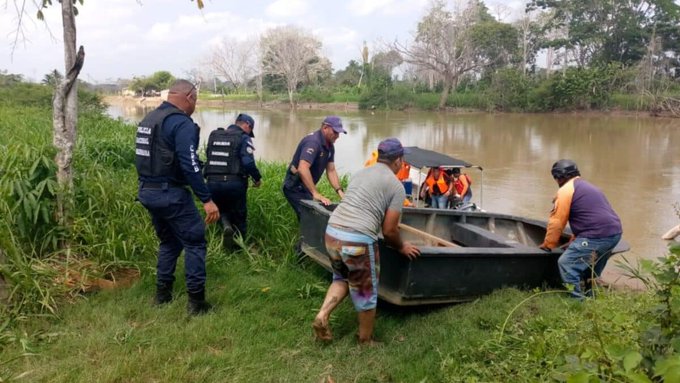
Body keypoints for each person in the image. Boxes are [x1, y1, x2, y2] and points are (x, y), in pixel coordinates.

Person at [312, 138, 420, 345]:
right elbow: (389, 231)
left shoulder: (360, 174)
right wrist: (402, 246)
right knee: (366, 292)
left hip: (333, 231)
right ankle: (365, 341)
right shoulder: (396, 187)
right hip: (357, 240)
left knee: (341, 277)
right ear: (398, 160)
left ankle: (322, 315)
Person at [135, 79, 219, 315]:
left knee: (169, 242)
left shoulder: (149, 119)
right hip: (170, 194)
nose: (196, 105)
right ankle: (196, 303)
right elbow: (189, 164)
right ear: (190, 97)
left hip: (147, 191)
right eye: (197, 100)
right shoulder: (181, 123)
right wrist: (206, 199)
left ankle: (162, 295)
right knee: (195, 242)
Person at [539, 159, 623, 299]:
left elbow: (557, 222)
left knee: (566, 263)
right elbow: (591, 215)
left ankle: (577, 301)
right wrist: (576, 237)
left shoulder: (565, 191)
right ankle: (591, 294)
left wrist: (548, 244)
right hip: (614, 233)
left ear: (558, 177)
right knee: (592, 268)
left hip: (596, 235)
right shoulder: (588, 187)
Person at [204, 113, 262, 250]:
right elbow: (248, 163)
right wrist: (257, 178)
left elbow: (208, 156)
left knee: (220, 208)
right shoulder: (243, 137)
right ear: (247, 125)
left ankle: (226, 227)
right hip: (234, 184)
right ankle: (239, 247)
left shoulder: (215, 135)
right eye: (250, 129)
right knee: (239, 214)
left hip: (212, 182)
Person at [282, 116, 346, 220]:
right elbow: (303, 168)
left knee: (311, 217)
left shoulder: (329, 145)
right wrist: (316, 193)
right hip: (294, 187)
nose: (337, 136)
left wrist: (340, 191)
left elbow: (331, 170)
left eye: (339, 133)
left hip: (305, 188)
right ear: (325, 128)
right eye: (335, 132)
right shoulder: (313, 142)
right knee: (309, 218)